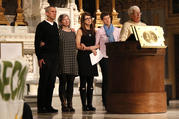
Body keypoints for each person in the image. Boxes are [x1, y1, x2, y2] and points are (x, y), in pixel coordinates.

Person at [34, 6, 59, 113]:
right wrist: (40, 57)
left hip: (55, 57)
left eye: (55, 12)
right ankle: (41, 106)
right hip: (45, 57)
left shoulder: (55, 25)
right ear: (47, 13)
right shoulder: (41, 26)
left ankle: (48, 105)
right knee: (44, 81)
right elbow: (37, 43)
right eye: (52, 12)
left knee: (51, 82)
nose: (54, 14)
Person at [95, 12, 121, 108]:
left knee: (115, 78)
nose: (107, 20)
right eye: (105, 19)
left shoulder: (117, 30)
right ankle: (106, 101)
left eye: (108, 18)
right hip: (104, 57)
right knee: (106, 79)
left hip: (115, 57)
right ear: (102, 20)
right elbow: (97, 44)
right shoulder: (100, 31)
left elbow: (119, 42)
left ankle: (115, 99)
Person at [76, 12, 99, 111]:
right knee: (83, 81)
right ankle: (84, 105)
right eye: (86, 19)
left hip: (92, 57)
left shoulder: (95, 31)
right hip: (83, 57)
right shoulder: (80, 31)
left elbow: (98, 45)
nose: (89, 20)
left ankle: (90, 104)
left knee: (90, 82)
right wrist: (90, 48)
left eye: (90, 18)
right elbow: (77, 45)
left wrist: (88, 48)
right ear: (83, 21)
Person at [57, 14, 78, 112]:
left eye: (68, 19)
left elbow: (77, 44)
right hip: (63, 60)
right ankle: (63, 104)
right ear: (60, 22)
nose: (66, 21)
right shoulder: (59, 32)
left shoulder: (73, 32)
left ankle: (70, 103)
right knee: (63, 83)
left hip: (72, 60)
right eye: (64, 20)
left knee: (70, 84)